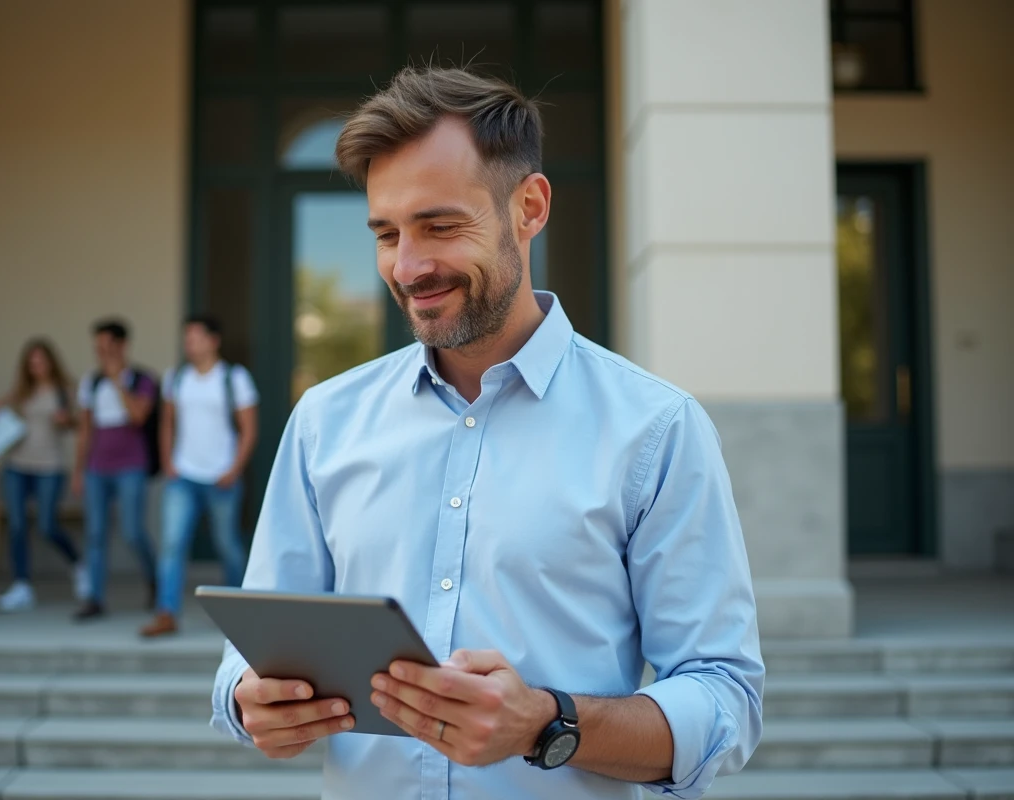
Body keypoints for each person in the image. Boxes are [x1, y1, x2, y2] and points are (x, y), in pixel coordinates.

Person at [210, 67, 764, 799]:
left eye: (440, 226)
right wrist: (247, 700)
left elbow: (725, 700)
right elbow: (253, 651)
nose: (408, 267)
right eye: (386, 234)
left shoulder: (656, 430)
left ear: (529, 208)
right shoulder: (323, 421)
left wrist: (547, 724)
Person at [140, 314, 260, 638]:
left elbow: (249, 429)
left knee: (228, 545)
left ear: (213, 341)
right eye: (186, 338)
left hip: (222, 477)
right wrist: (168, 461)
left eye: (195, 337)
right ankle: (166, 613)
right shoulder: (176, 378)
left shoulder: (234, 378)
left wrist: (234, 469)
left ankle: (239, 613)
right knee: (172, 544)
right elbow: (167, 423)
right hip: (183, 476)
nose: (188, 343)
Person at [0, 338, 86, 612]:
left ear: (51, 362)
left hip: (49, 466)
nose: (37, 367)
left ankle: (78, 565)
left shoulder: (65, 390)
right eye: (32, 363)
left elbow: (82, 424)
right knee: (17, 524)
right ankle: (22, 586)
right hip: (17, 464)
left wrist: (67, 421)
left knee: (47, 525)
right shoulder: (21, 392)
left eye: (41, 361)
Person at [72, 318, 159, 621]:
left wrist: (118, 381)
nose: (102, 354)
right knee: (95, 533)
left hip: (131, 466)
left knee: (132, 531)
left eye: (108, 347)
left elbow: (138, 416)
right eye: (98, 348)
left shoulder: (142, 379)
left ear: (123, 346)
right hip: (97, 468)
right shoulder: (91, 382)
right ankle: (94, 598)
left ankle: (154, 579)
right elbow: (85, 430)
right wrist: (78, 470)